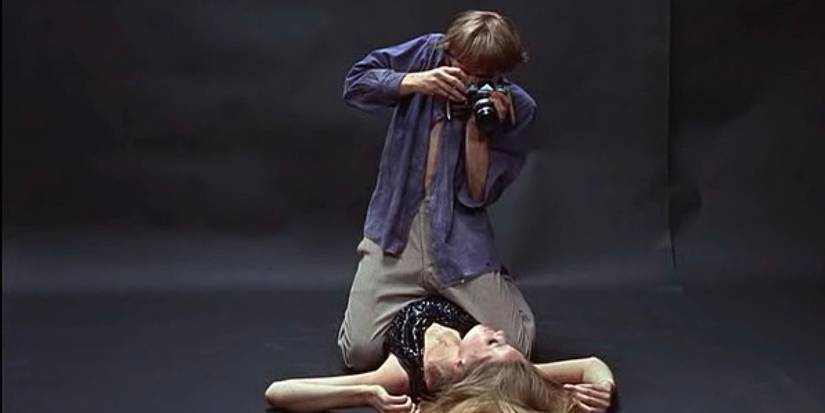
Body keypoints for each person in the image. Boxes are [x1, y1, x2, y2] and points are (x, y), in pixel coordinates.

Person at [338, 9, 540, 375]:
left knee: (516, 348)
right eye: (461, 68)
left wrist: (480, 132)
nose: (467, 81)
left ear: (500, 74)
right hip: (398, 231)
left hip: (458, 241)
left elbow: (477, 197)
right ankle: (433, 309)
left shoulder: (514, 109)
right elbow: (356, 84)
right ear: (448, 53)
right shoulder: (427, 54)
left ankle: (468, 293)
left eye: (482, 76)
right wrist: (415, 82)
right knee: (359, 352)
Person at [265, 296, 616, 412]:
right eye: (498, 338)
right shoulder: (511, 373)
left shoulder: (403, 375)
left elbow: (278, 392)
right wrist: (604, 388)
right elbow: (590, 365)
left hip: (397, 295)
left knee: (358, 346)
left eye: (494, 344)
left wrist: (366, 393)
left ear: (464, 366)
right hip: (455, 287)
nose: (499, 333)